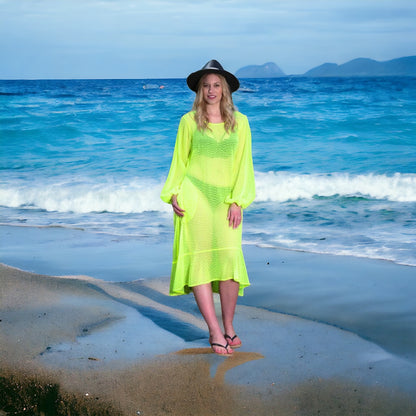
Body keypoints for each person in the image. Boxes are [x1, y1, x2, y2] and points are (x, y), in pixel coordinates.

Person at [161, 60, 255, 356]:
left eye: (216, 85)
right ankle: (214, 331)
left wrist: (239, 200)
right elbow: (180, 161)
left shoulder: (241, 123)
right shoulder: (189, 121)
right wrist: (175, 192)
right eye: (206, 85)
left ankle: (228, 326)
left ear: (225, 89)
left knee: (228, 263)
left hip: (226, 200)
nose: (211, 90)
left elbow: (245, 166)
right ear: (199, 90)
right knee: (200, 263)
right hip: (195, 198)